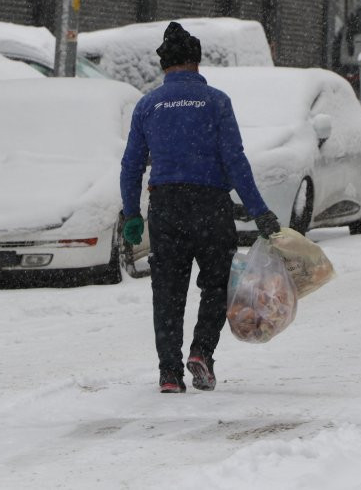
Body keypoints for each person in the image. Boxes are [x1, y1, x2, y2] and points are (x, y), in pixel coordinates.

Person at [120, 21, 281, 394]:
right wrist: (259, 210)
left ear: (165, 65)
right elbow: (235, 161)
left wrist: (132, 214)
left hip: (166, 206)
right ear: (196, 62)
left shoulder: (147, 105)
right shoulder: (215, 102)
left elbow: (131, 165)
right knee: (218, 284)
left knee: (168, 291)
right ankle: (201, 352)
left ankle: (169, 373)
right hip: (210, 205)